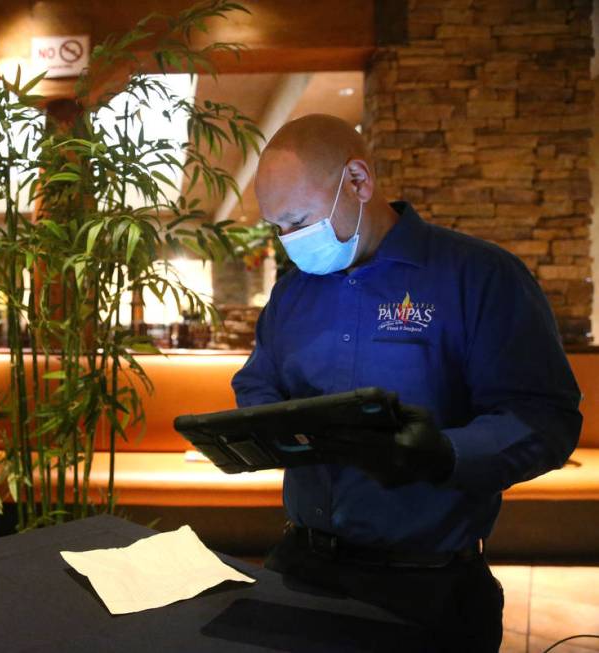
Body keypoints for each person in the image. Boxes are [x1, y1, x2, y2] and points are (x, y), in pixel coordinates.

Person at [232, 113, 582, 652]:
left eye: (299, 221)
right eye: (277, 228)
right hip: (299, 568)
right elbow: (258, 382)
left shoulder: (480, 277)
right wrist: (268, 427)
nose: (289, 242)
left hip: (429, 588)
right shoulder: (294, 294)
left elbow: (547, 419)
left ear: (358, 182)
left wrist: (444, 452)